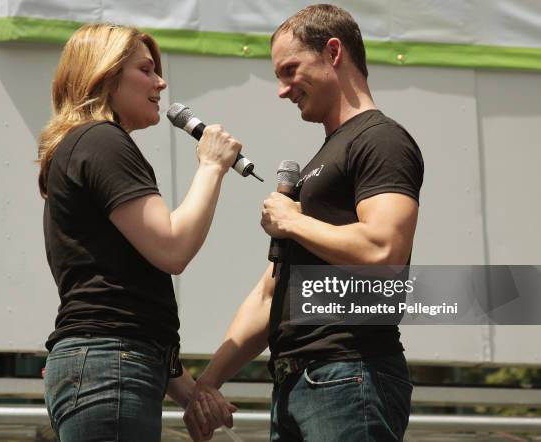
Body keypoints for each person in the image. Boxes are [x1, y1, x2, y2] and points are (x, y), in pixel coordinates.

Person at [184, 4, 424, 441]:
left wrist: (292, 222)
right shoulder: (322, 161)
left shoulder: (380, 139)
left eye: (290, 69)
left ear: (333, 52)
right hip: (299, 383)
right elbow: (273, 288)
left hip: (349, 375)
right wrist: (207, 383)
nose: (282, 89)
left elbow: (384, 251)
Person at [38, 23, 238, 442]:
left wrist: (191, 393)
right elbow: (171, 248)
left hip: (109, 362)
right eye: (146, 70)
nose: (160, 82)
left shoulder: (87, 144)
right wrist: (212, 165)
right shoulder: (100, 141)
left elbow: (127, 295)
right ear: (106, 76)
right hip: (108, 364)